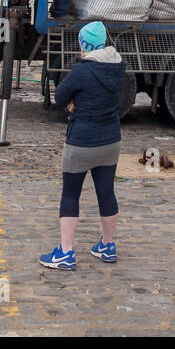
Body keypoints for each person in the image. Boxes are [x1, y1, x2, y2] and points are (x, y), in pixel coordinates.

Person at [39, 21, 124, 270]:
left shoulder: (82, 70)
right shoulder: (118, 66)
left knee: (70, 194)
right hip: (110, 140)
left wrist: (73, 103)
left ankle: (66, 252)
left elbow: (60, 96)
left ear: (83, 44)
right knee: (106, 192)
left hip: (82, 141)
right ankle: (107, 245)